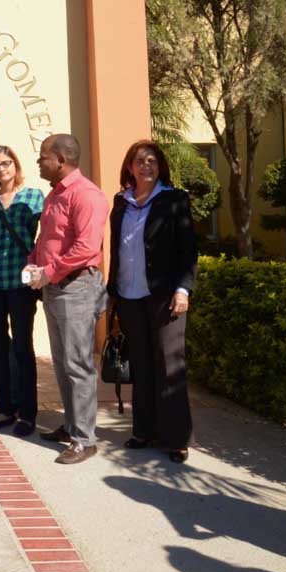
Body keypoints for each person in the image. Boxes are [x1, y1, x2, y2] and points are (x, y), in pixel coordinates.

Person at [108, 140, 197, 464]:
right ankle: (144, 431)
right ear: (129, 167)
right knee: (142, 366)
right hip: (130, 296)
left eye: (151, 161)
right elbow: (116, 249)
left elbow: (188, 250)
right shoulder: (121, 203)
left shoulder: (174, 200)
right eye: (139, 161)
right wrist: (112, 292)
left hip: (165, 296)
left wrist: (183, 289)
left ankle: (176, 438)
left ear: (159, 166)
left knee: (170, 365)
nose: (146, 166)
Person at [24, 134, 109, 465]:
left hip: (76, 287)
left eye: (43, 157)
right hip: (55, 287)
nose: (39, 162)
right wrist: (34, 262)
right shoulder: (55, 195)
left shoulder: (86, 195)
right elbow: (48, 239)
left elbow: (87, 248)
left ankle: (85, 440)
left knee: (78, 365)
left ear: (60, 159)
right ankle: (73, 425)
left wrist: (49, 270)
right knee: (62, 363)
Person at [0, 146, 46, 436]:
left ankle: (27, 414)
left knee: (23, 348)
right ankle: (4, 409)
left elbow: (44, 239)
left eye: (6, 163)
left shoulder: (33, 197)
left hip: (22, 285)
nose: (1, 169)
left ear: (15, 165)